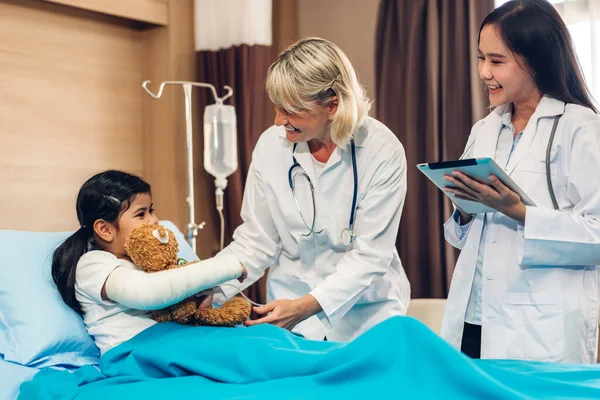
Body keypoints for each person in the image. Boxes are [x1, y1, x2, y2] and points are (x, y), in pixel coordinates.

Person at [212, 37, 411, 342]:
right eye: (277, 108)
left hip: (369, 317)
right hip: (290, 319)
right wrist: (212, 289)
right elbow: (256, 242)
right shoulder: (271, 145)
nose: (279, 121)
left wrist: (304, 306)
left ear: (332, 105)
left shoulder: (381, 150)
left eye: (290, 110)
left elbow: (370, 256)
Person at [441, 0, 600, 363]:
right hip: (473, 317)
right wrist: (464, 210)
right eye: (481, 58)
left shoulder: (581, 128)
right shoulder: (484, 129)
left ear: (536, 60)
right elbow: (465, 236)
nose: (483, 72)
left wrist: (520, 212)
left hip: (539, 326)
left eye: (496, 61)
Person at [51, 170, 247, 354]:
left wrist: (197, 304)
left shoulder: (147, 264)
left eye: (151, 210)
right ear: (105, 229)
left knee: (262, 337)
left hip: (166, 343)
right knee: (247, 352)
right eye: (141, 214)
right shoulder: (94, 264)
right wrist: (226, 266)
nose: (154, 220)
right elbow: (149, 292)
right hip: (130, 354)